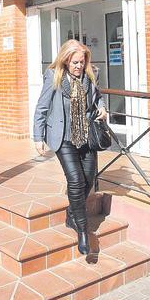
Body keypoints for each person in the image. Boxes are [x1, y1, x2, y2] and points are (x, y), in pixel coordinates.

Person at [33, 39, 107, 255]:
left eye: (82, 62)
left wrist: (102, 108)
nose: (78, 66)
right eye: (75, 62)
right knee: (75, 180)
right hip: (63, 137)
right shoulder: (53, 76)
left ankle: (72, 214)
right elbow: (42, 107)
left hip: (86, 137)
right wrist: (38, 136)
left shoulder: (90, 75)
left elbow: (98, 98)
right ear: (65, 60)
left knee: (89, 179)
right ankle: (82, 230)